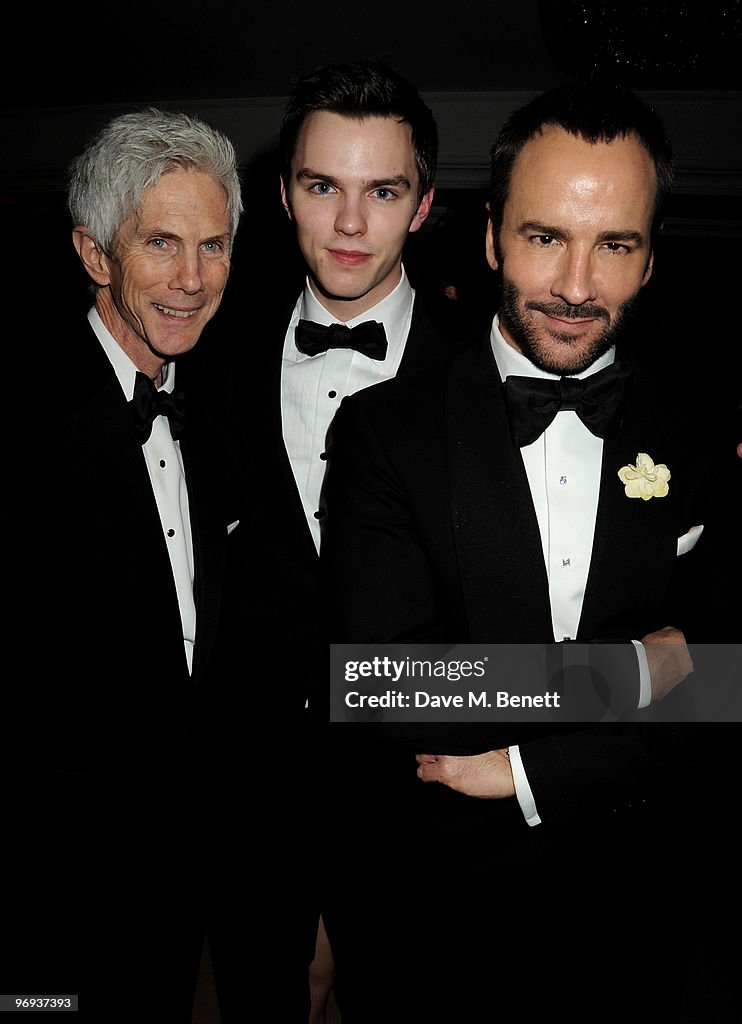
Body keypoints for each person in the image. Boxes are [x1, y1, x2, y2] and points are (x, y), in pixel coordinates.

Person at [322, 81, 741, 1022]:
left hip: (643, 910)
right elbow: (389, 687)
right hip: (442, 917)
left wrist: (522, 767)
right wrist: (632, 675)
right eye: (546, 237)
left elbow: (725, 690)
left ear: (651, 256)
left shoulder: (705, 437)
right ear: (490, 235)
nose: (578, 287)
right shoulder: (386, 432)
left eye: (616, 245)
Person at [193, 59, 480, 1018]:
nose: (351, 225)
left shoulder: (486, 376)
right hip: (250, 795)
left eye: (383, 191)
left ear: (425, 203)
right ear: (284, 194)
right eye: (324, 187)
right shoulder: (208, 351)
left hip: (422, 803)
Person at [2, 107, 249, 1022]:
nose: (193, 280)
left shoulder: (220, 418)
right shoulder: (19, 413)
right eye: (162, 244)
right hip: (44, 863)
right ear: (95, 253)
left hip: (178, 852)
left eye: (215, 246)